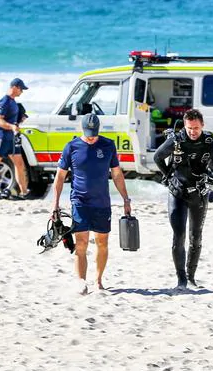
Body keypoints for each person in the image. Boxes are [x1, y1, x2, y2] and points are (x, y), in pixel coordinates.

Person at [51, 113, 132, 294]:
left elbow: (117, 174)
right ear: (82, 129)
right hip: (79, 201)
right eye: (88, 133)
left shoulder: (108, 145)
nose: (91, 136)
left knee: (102, 242)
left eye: (94, 133)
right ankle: (81, 281)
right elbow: (60, 177)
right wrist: (55, 204)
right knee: (81, 243)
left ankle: (98, 279)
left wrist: (126, 198)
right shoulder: (71, 147)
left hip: (102, 202)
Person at [154, 109, 213, 289]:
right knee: (179, 236)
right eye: (189, 128)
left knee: (196, 236)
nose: (192, 132)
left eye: (196, 128)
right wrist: (168, 176)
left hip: (199, 193)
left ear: (202, 125)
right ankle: (181, 279)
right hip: (178, 192)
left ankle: (191, 276)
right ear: (184, 126)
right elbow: (157, 157)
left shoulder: (209, 142)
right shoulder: (176, 140)